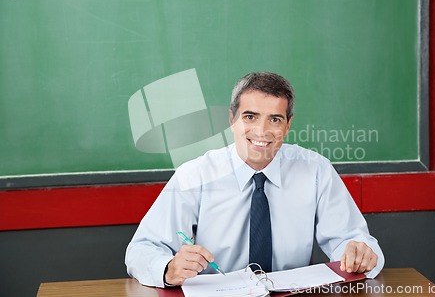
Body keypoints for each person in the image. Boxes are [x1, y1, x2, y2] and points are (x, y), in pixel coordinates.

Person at [125, 72, 384, 287]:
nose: (261, 131)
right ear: (232, 120)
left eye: (275, 119)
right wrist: (168, 268)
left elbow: (352, 240)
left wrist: (357, 254)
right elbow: (142, 250)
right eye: (250, 117)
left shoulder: (315, 170)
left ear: (288, 125)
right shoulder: (195, 174)